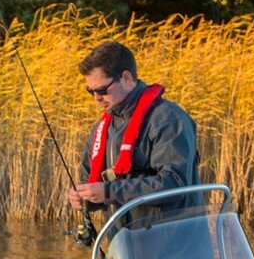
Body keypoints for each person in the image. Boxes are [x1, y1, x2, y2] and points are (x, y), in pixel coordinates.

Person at [68, 41, 202, 222]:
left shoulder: (168, 118)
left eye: (102, 90)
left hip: (174, 242)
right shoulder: (101, 129)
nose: (97, 98)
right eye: (90, 91)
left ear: (126, 78)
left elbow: (175, 184)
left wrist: (108, 192)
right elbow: (89, 179)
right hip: (127, 244)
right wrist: (84, 198)